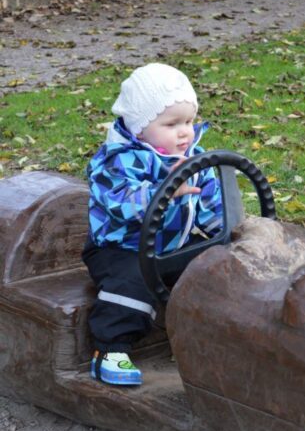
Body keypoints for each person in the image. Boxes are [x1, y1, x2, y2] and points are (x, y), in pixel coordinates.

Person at [84, 63, 223, 385]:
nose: (185, 131)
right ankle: (110, 349)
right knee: (132, 283)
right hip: (120, 248)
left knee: (215, 264)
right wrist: (162, 192)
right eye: (172, 123)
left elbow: (210, 204)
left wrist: (228, 232)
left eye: (188, 121)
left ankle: (214, 338)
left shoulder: (196, 158)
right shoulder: (118, 159)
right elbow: (119, 203)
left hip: (172, 245)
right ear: (139, 128)